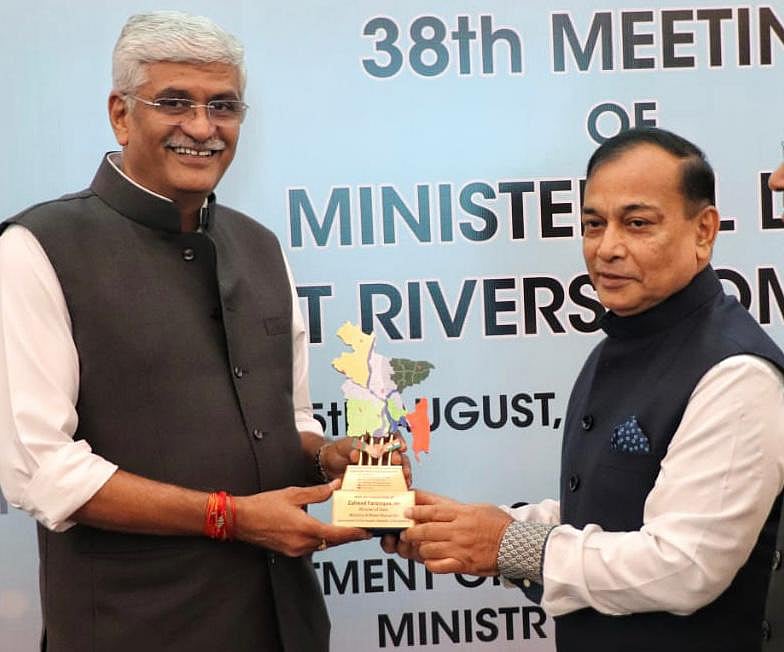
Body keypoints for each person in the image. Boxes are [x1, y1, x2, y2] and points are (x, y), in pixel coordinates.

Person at [0, 11, 401, 652]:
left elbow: (286, 417)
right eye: (174, 102)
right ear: (121, 114)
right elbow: (43, 473)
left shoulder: (261, 246)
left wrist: (329, 456)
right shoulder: (36, 248)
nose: (202, 127)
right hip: (136, 632)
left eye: (223, 106)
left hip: (285, 627)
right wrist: (234, 519)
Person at [384, 127, 784, 651]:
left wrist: (507, 544)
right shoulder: (616, 347)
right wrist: (461, 528)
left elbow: (684, 566)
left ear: (704, 232)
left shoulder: (736, 372)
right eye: (594, 225)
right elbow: (605, 512)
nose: (607, 248)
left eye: (638, 224)